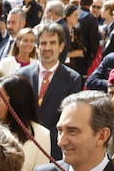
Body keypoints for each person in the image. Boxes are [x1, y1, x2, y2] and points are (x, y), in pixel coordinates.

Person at [16, 23, 81, 158]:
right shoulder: (21, 74)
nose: (47, 48)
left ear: (61, 46)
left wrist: (44, 137)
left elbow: (69, 117)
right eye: (43, 43)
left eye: (52, 43)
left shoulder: (72, 79)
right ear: (37, 46)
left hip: (54, 148)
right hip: (23, 145)